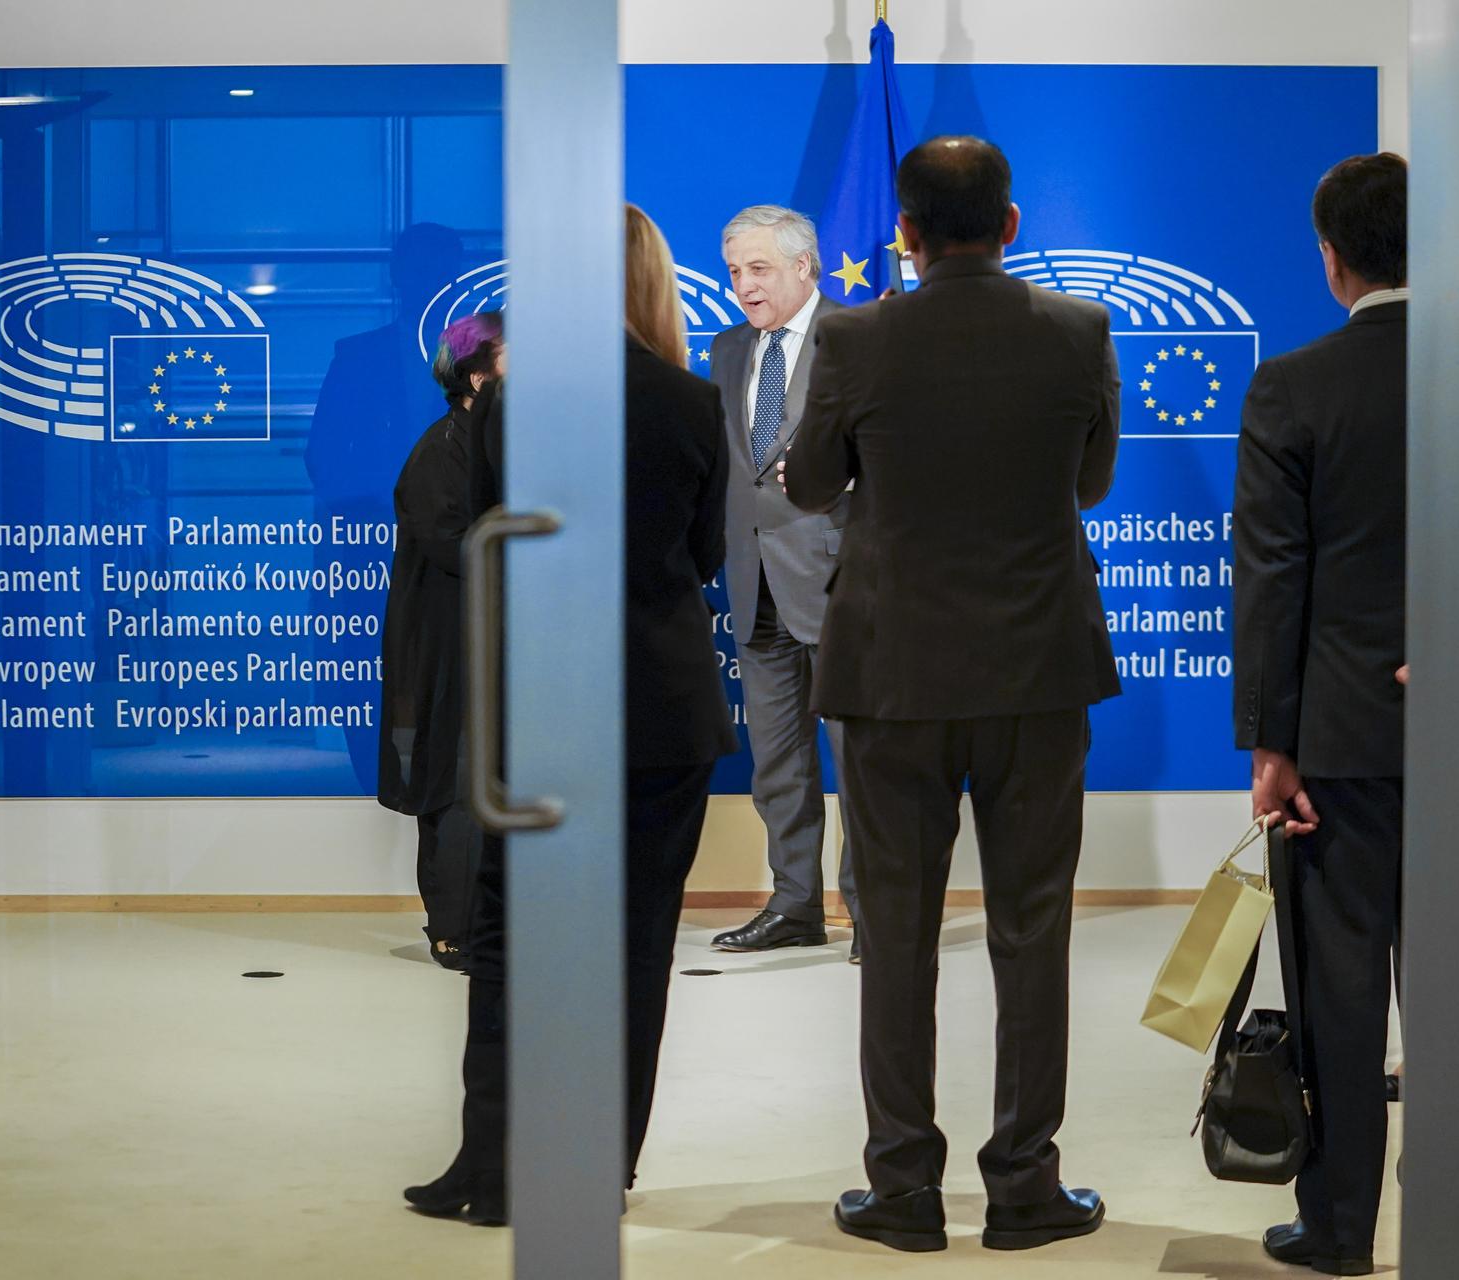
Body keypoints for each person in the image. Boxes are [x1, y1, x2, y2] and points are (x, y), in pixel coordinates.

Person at [781, 135, 1120, 1254]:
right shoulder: (1079, 332)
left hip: (892, 677)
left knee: (897, 932)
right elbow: (1091, 479)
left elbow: (813, 480)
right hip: (1037, 675)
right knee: (1033, 933)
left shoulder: (852, 332)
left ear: (907, 236)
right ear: (1011, 225)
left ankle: (903, 1187)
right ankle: (1024, 1181)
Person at [402, 204, 736, 1224]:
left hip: (543, 708)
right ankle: (595, 1169)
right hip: (659, 712)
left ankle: (491, 1167)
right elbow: (707, 555)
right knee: (632, 948)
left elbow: (501, 542)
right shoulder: (690, 400)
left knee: (507, 937)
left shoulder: (512, 401)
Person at [1232, 151, 1408, 1277]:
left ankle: (1341, 1226)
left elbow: (1272, 581)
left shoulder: (1294, 384)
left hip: (1339, 741)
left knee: (1340, 992)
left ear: (1332, 259)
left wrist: (1272, 744)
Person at [707, 205, 859, 960]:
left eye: (759, 268)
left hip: (840, 584)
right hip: (752, 582)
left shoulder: (858, 342)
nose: (743, 286)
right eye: (735, 270)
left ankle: (872, 913)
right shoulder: (728, 348)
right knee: (777, 764)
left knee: (860, 763)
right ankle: (795, 904)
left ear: (806, 267)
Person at [307, 223, 470, 794]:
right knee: (364, 664)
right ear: (398, 277)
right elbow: (322, 456)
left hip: (467, 552)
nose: (427, 281)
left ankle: (451, 785)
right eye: (417, 268)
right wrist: (380, 503)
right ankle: (375, 782)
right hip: (370, 542)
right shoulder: (358, 355)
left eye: (439, 269)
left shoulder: (493, 358)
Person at [377, 313, 504, 972]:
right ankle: (452, 925)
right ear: (477, 372)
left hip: (495, 641)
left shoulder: (495, 440)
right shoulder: (441, 449)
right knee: (456, 786)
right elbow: (453, 545)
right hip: (452, 646)